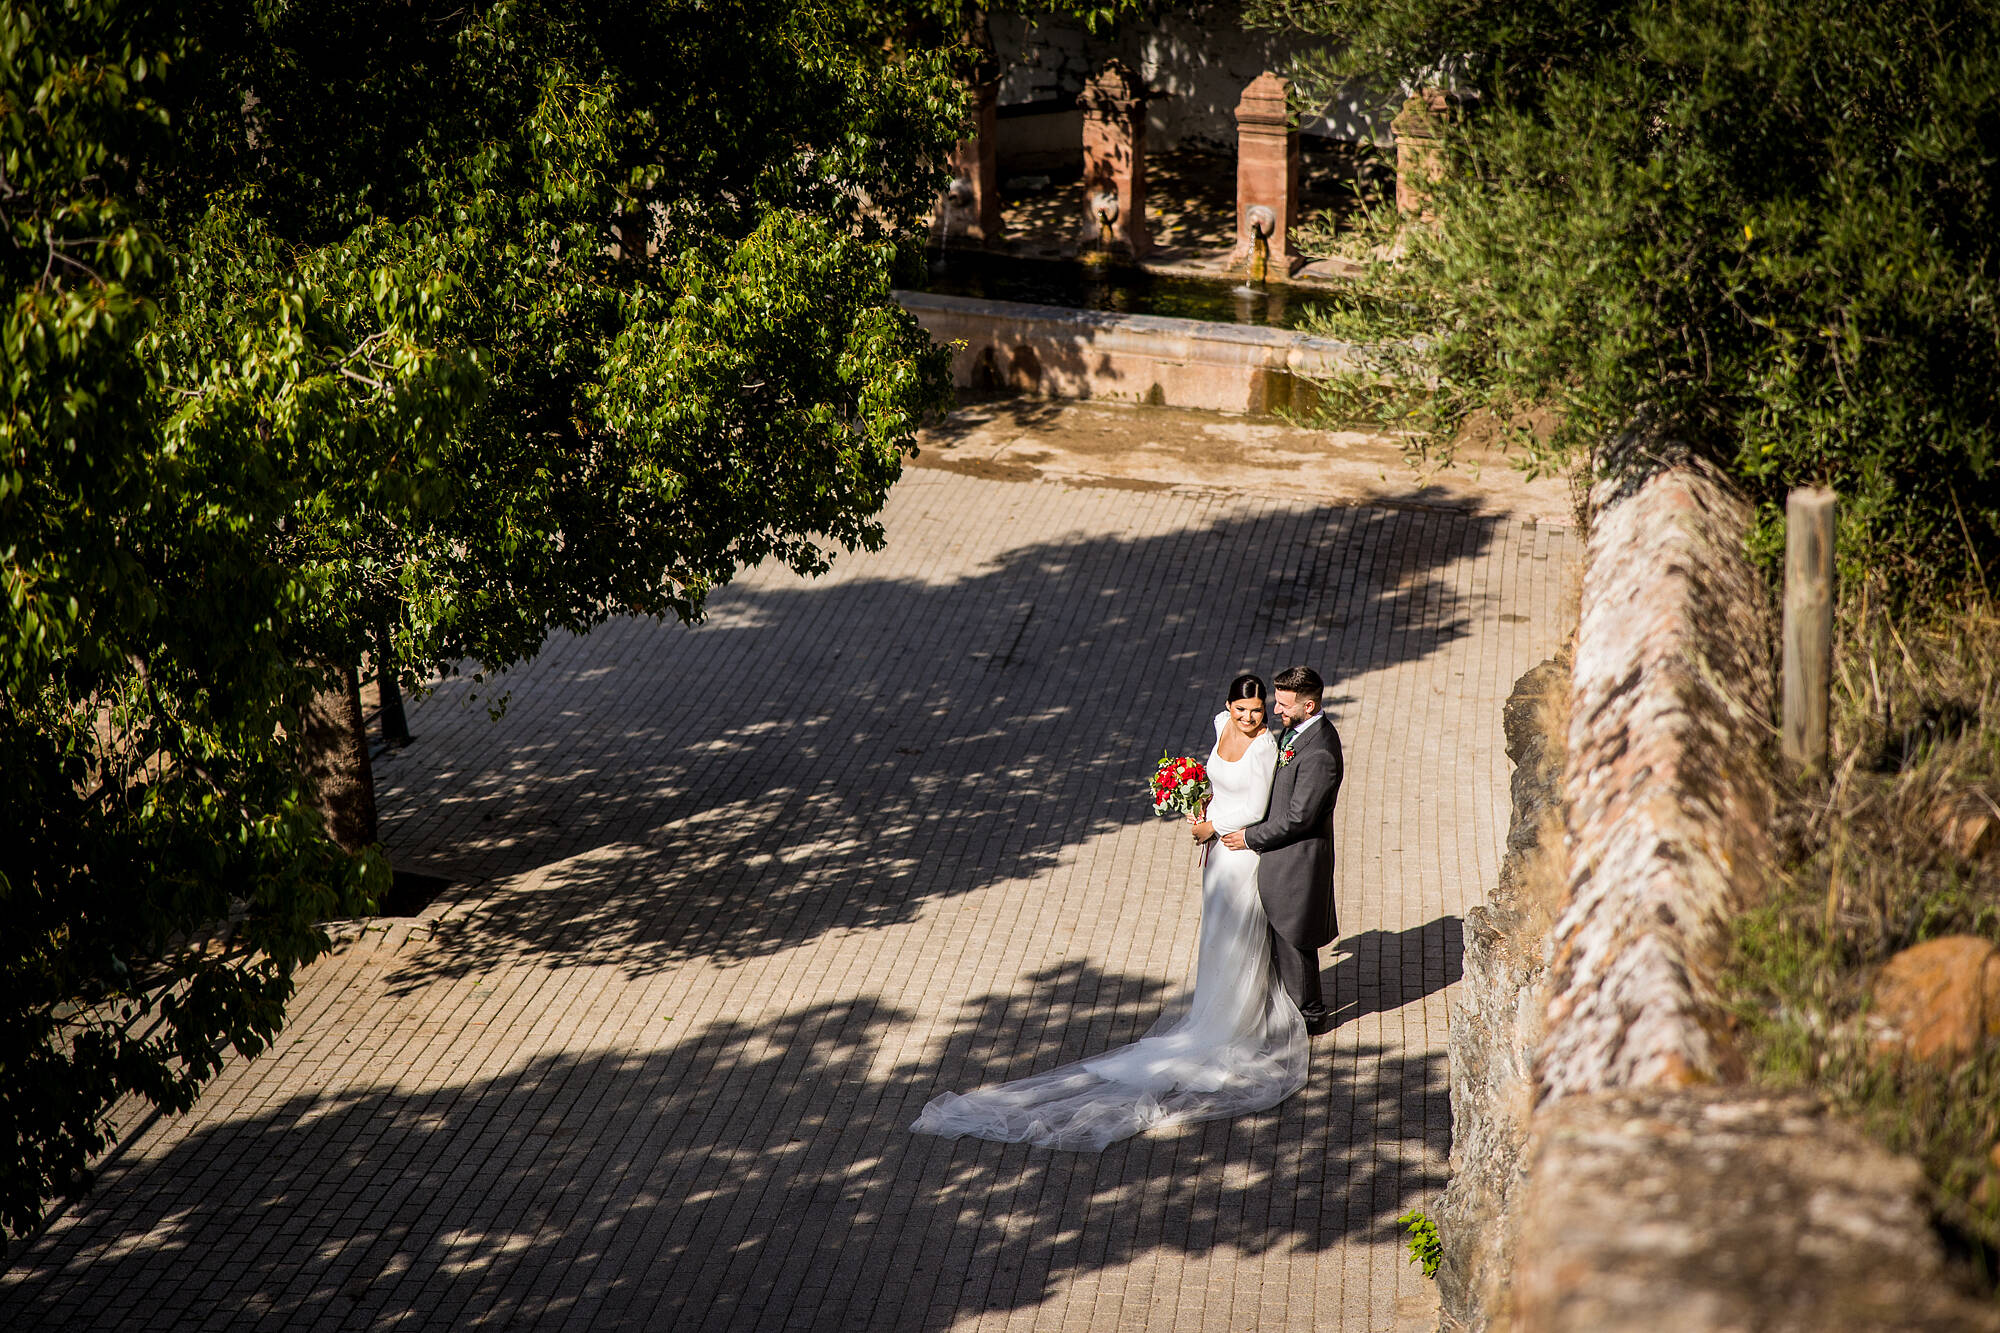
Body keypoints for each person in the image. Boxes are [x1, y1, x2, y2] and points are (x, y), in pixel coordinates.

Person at [909, 673, 1308, 1151]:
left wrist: (1212, 826)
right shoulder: (1221, 724)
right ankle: (1211, 1011)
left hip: (1238, 852)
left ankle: (1233, 1022)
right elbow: (1214, 779)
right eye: (1242, 710)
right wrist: (1195, 802)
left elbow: (1257, 807)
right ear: (1228, 706)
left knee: (1236, 932)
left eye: (1258, 711)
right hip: (1215, 855)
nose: (1250, 718)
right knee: (1214, 934)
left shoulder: (1264, 747)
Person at [1218, 664, 1342, 1034]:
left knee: (1294, 939)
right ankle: (1286, 1010)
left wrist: (1249, 837)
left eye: (1284, 705)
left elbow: (1299, 817)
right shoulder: (1296, 731)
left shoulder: (1320, 752)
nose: (1276, 711)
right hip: (1280, 857)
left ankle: (1310, 1018)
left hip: (1297, 861)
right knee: (1281, 938)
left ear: (1309, 706)